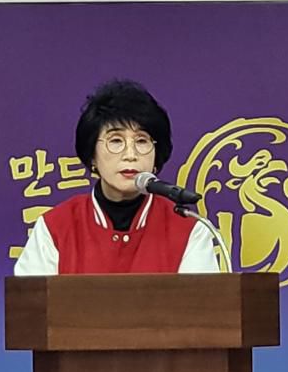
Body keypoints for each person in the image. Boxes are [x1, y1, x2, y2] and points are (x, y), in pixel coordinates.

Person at [14, 79, 219, 275]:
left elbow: (203, 299)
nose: (130, 155)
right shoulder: (55, 227)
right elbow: (32, 298)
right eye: (115, 141)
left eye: (141, 141)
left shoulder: (189, 229)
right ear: (92, 155)